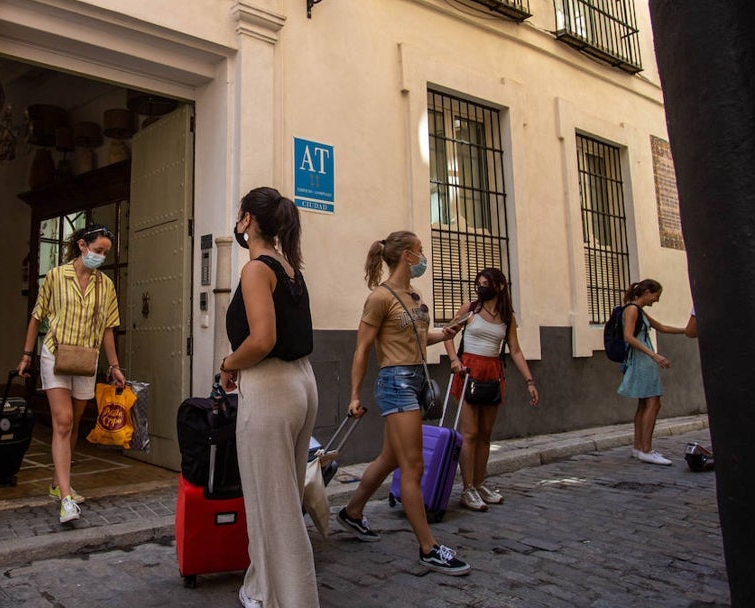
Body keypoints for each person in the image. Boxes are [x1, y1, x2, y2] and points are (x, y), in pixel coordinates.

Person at [337, 231, 470, 576]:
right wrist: (354, 395)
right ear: (408, 256)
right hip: (396, 382)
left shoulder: (413, 295)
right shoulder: (380, 298)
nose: (424, 257)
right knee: (413, 467)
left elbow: (418, 338)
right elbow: (362, 349)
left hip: (415, 377)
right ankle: (428, 547)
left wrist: (448, 331)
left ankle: (352, 512)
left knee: (390, 458)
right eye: (420, 251)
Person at [218, 187, 319, 608]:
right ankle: (261, 587)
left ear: (246, 220)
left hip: (271, 387)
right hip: (301, 383)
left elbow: (262, 339)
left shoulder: (256, 270)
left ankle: (292, 599)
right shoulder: (288, 266)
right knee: (282, 497)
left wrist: (228, 363)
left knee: (272, 505)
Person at [16, 224, 125, 523]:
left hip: (86, 360)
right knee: (62, 421)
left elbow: (107, 329)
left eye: (105, 253)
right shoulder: (56, 276)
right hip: (55, 353)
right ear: (82, 245)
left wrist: (114, 366)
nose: (101, 257)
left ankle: (56, 482)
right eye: (98, 250)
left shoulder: (106, 286)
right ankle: (66, 498)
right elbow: (37, 316)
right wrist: (27, 355)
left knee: (74, 422)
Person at [443, 267, 538, 512]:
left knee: (485, 434)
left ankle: (479, 481)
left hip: (493, 373)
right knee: (470, 433)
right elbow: (448, 334)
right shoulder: (471, 309)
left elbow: (515, 350)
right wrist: (455, 360)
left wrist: (529, 381)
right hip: (469, 371)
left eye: (486, 282)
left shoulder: (508, 317)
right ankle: (467, 488)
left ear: (500, 286)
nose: (481, 286)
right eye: (479, 282)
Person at [615, 278, 689, 465]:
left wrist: (687, 330)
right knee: (653, 404)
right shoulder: (632, 310)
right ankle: (646, 449)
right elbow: (628, 337)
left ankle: (639, 448)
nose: (656, 300)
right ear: (647, 292)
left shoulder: (639, 311)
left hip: (643, 360)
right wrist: (654, 355)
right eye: (656, 296)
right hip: (642, 361)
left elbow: (662, 327)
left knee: (644, 404)